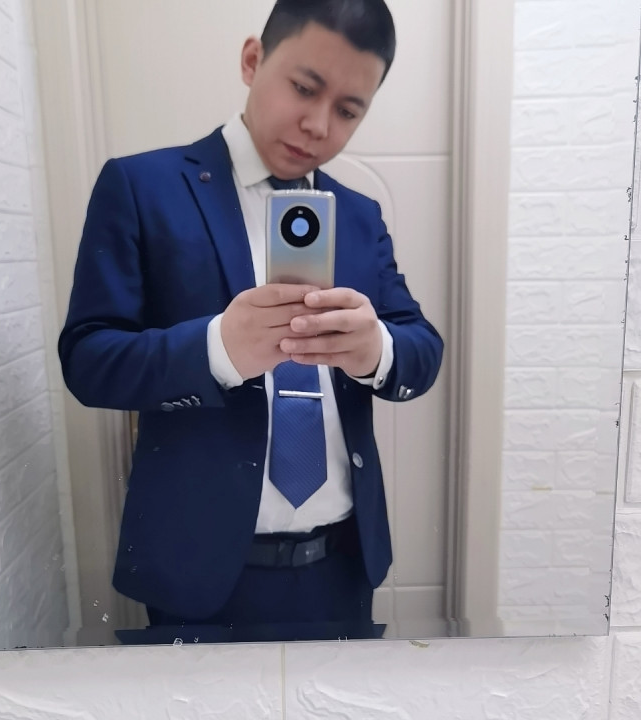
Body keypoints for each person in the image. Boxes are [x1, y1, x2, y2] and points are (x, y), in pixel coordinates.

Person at [58, 0, 443, 640]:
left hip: (341, 565)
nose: (318, 125)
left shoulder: (358, 215)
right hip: (197, 574)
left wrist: (376, 349)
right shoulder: (142, 188)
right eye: (304, 88)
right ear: (252, 60)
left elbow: (422, 350)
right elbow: (88, 360)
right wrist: (216, 350)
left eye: (349, 110)